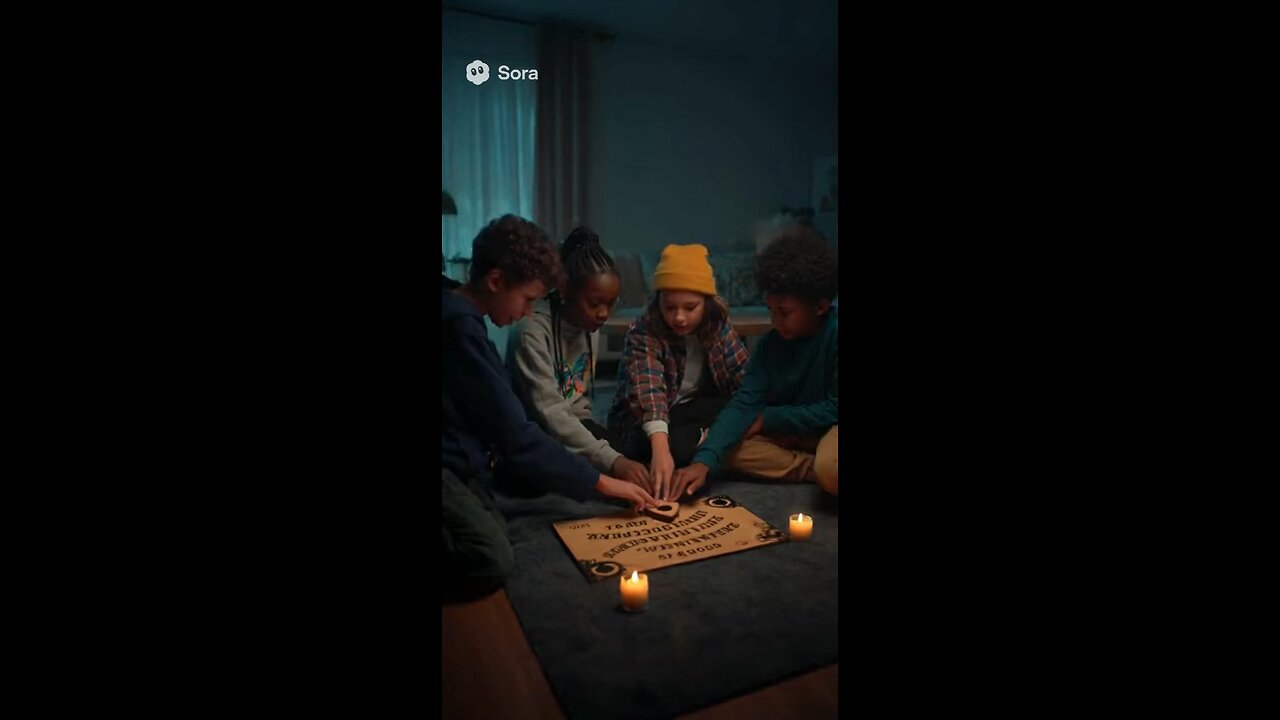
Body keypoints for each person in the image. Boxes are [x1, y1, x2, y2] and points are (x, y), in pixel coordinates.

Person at [442, 215, 657, 600]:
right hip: (454, 463)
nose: (526, 311)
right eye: (526, 299)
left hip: (467, 458)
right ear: (495, 281)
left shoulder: (465, 319)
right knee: (489, 556)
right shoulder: (461, 330)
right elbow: (520, 435)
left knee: (492, 517)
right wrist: (603, 480)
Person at [669, 229, 839, 500]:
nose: (774, 320)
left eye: (784, 312)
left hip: (831, 428)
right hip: (794, 434)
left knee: (831, 467)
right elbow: (743, 402)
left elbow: (834, 407)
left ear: (819, 307)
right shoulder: (772, 344)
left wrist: (769, 419)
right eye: (770, 310)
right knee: (721, 450)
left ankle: (821, 467)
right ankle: (810, 468)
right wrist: (703, 462)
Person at [507, 227, 653, 492]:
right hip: (534, 435)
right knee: (601, 479)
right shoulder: (530, 332)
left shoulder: (588, 327)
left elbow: (576, 402)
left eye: (610, 304)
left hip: (571, 423)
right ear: (565, 291)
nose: (603, 314)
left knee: (634, 467)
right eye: (595, 303)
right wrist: (610, 461)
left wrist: (610, 454)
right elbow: (549, 413)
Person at [607, 243, 750, 501]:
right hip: (644, 419)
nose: (680, 317)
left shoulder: (718, 325)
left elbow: (743, 379)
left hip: (692, 409)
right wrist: (661, 450)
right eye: (670, 307)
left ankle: (700, 436)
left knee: (736, 407)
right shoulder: (644, 329)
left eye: (690, 307)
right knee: (664, 448)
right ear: (658, 302)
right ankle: (699, 438)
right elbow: (647, 390)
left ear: (706, 303)